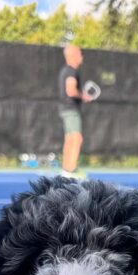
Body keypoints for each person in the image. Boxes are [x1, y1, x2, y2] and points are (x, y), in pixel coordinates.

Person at [58, 45, 92, 177]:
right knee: (76, 138)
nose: (81, 57)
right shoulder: (72, 71)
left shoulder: (65, 71)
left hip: (65, 109)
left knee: (69, 138)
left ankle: (66, 169)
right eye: (80, 54)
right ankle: (70, 171)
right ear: (74, 56)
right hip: (71, 109)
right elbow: (70, 90)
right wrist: (82, 96)